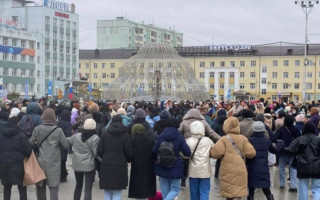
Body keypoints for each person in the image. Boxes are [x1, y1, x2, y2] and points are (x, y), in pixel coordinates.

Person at [210, 117, 256, 200]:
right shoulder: (243, 139)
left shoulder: (223, 139)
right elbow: (252, 153)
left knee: (229, 194)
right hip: (240, 169)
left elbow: (214, 154)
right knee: (238, 194)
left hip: (227, 170)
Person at [30, 108, 69, 200]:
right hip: (54, 163)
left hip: (40, 162)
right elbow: (66, 145)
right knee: (54, 188)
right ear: (54, 117)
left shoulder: (37, 129)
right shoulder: (58, 130)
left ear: (43, 116)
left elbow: (31, 142)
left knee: (40, 187)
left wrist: (37, 143)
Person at [153, 119, 191, 200]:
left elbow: (154, 150)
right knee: (175, 189)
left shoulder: (161, 136)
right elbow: (187, 152)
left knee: (165, 192)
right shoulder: (179, 137)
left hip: (162, 165)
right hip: (175, 166)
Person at [97, 115, 132, 200]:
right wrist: (127, 159)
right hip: (120, 165)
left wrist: (105, 156)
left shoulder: (105, 134)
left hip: (106, 165)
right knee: (117, 192)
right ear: (121, 122)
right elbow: (129, 152)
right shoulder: (125, 135)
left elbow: (99, 151)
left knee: (107, 192)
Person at [247, 121, 283, 200]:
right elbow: (275, 151)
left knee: (251, 190)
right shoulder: (266, 141)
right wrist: (280, 143)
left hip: (252, 168)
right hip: (263, 168)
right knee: (266, 189)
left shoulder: (249, 140)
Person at [0, 116, 32, 200]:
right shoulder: (21, 135)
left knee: (6, 187)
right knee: (22, 187)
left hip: (3, 165)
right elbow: (28, 149)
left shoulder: (1, 135)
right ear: (16, 124)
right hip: (19, 165)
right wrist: (25, 157)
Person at [67, 118, 100, 200]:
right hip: (89, 165)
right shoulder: (95, 138)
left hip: (77, 164)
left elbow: (66, 142)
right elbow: (96, 153)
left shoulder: (76, 136)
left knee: (78, 185)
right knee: (88, 188)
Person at [288, 121, 320, 200]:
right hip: (317, 166)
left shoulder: (300, 139)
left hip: (303, 166)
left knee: (303, 189)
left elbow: (291, 149)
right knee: (316, 188)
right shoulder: (318, 140)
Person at [186, 121, 214, 200]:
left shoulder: (188, 141)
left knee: (194, 193)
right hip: (205, 171)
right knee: (204, 191)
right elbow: (214, 152)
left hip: (193, 171)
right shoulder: (208, 141)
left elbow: (183, 153)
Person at [128, 124, 156, 199]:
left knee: (137, 192)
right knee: (147, 191)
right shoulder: (150, 140)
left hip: (136, 168)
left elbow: (129, 155)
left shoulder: (132, 141)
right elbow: (154, 154)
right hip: (149, 168)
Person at [276, 115, 301, 191]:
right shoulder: (296, 129)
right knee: (293, 169)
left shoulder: (281, 129)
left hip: (282, 151)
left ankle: (282, 184)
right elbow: (299, 139)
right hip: (293, 152)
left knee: (281, 168)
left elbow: (275, 138)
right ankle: (293, 185)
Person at [57, 110, 72, 182]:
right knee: (63, 160)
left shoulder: (58, 123)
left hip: (57, 143)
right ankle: (63, 176)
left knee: (58, 160)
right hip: (64, 143)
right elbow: (68, 135)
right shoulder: (68, 124)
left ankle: (58, 175)